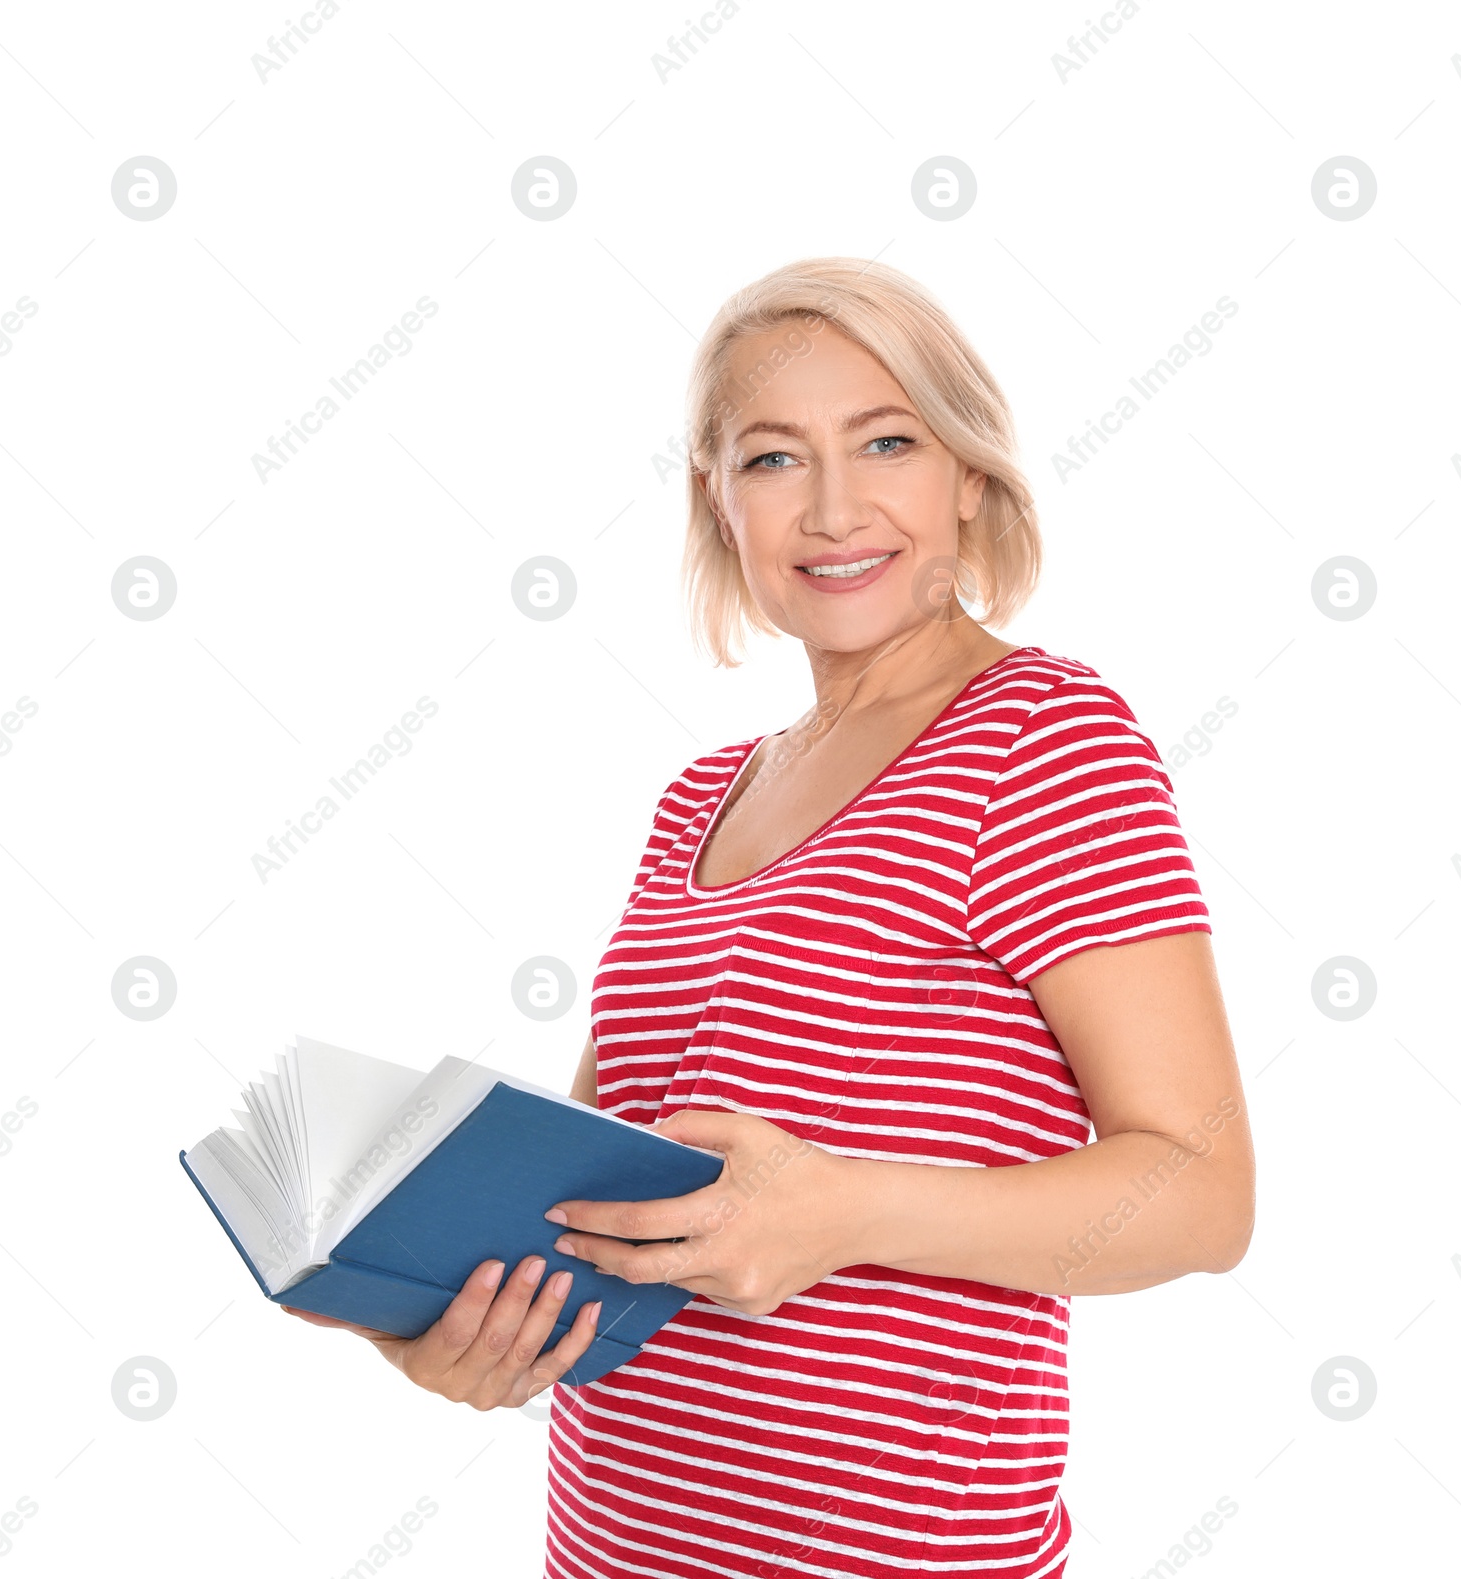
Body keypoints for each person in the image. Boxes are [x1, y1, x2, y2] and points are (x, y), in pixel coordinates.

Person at [286, 257, 1255, 1579]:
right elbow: (596, 1203)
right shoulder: (696, 799)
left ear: (968, 475)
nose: (837, 506)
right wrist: (445, 1318)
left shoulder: (1042, 741)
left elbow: (1201, 1193)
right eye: (773, 459)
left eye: (888, 441)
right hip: (613, 1546)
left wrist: (841, 1214)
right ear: (719, 502)